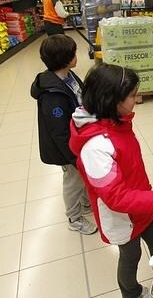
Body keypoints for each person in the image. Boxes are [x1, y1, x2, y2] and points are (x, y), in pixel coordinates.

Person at [68, 64, 153, 298]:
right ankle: (131, 292)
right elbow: (117, 198)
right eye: (133, 95)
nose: (136, 99)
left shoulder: (117, 122)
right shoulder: (96, 147)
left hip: (140, 203)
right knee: (131, 255)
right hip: (121, 216)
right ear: (112, 99)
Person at [31, 34, 97, 235]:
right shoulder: (53, 94)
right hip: (66, 149)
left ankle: (86, 205)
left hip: (78, 139)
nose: (77, 56)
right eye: (73, 53)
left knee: (83, 177)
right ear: (65, 58)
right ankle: (74, 217)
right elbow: (59, 132)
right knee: (73, 181)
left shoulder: (69, 76)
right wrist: (73, 157)